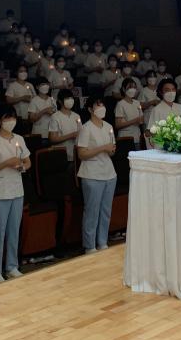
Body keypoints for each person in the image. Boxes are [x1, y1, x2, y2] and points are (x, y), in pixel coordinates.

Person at [0, 104, 30, 284]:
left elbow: (28, 162)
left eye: (13, 118)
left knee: (14, 230)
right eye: (7, 118)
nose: (11, 122)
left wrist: (21, 166)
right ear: (0, 120)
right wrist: (5, 163)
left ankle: (12, 266)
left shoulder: (19, 139)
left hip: (16, 190)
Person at [76, 96, 117, 253]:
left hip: (109, 173)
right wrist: (102, 148)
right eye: (97, 106)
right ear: (90, 110)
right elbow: (82, 153)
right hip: (92, 174)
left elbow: (112, 150)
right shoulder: (86, 128)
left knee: (105, 210)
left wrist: (110, 149)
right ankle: (90, 245)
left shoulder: (108, 126)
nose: (101, 108)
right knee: (92, 211)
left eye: (103, 105)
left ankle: (102, 241)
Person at [146, 78, 181, 147]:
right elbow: (150, 132)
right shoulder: (156, 110)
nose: (171, 92)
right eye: (167, 90)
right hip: (163, 146)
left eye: (173, 89)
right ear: (161, 92)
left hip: (180, 144)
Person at [48, 89, 81, 162]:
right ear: (60, 101)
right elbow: (52, 139)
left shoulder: (77, 116)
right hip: (61, 155)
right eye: (67, 98)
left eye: (71, 98)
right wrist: (71, 135)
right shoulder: (55, 117)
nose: (70, 100)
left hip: (75, 154)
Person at [114, 78, 143, 146]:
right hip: (125, 138)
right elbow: (117, 125)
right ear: (124, 89)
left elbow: (141, 119)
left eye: (134, 87)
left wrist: (140, 120)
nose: (132, 89)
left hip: (137, 137)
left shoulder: (137, 102)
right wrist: (134, 121)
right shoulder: (120, 104)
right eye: (130, 87)